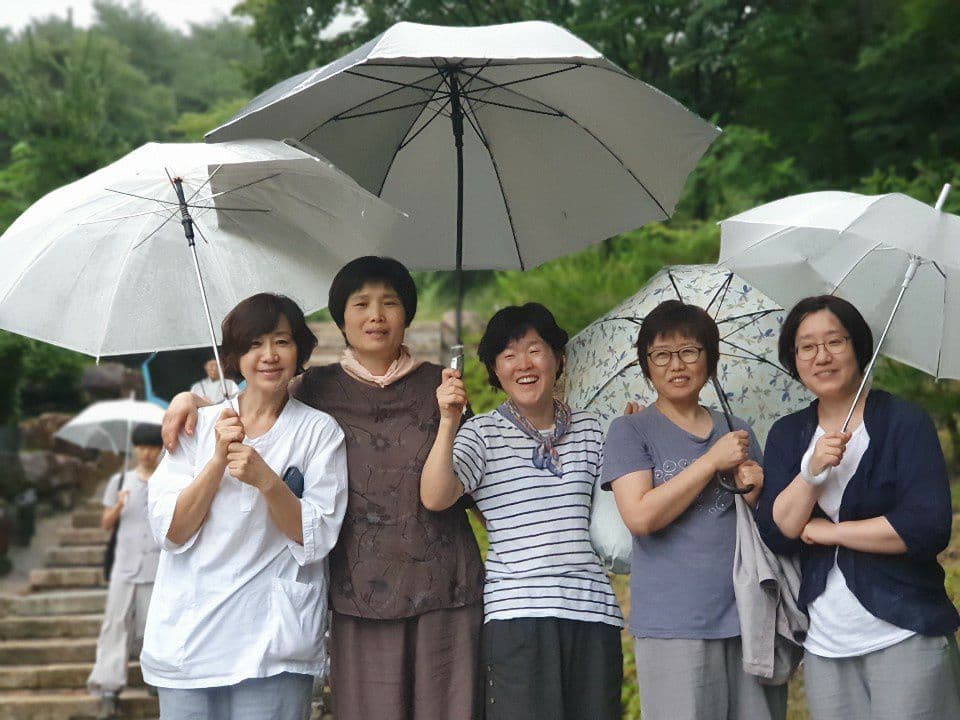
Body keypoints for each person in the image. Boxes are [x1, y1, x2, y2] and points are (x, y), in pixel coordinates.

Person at [161, 257, 484, 720]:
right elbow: (252, 397)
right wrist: (189, 399)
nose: (376, 315)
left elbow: (469, 484)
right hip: (359, 591)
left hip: (446, 587)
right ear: (342, 319)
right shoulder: (314, 388)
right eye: (361, 304)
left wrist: (453, 415)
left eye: (389, 303)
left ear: (407, 315)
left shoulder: (443, 385)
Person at [142, 293, 348, 720]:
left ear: (300, 350)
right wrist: (216, 459)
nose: (269, 356)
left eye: (281, 341)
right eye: (254, 344)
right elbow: (171, 532)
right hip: (190, 639)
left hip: (271, 644)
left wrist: (267, 481)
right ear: (234, 356)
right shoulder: (195, 426)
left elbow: (316, 537)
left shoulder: (319, 432)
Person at [757, 295, 960, 719]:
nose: (822, 356)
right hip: (827, 643)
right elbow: (779, 530)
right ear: (793, 359)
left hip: (905, 632)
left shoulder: (904, 421)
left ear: (859, 347)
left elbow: (926, 527)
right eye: (807, 346)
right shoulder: (788, 433)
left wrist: (832, 532)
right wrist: (811, 473)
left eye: (835, 341)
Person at [421, 303, 624, 720]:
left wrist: (635, 435)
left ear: (558, 359)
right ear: (495, 371)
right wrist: (447, 421)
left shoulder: (594, 428)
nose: (523, 365)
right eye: (509, 355)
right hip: (517, 614)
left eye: (535, 350)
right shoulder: (482, 433)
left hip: (591, 611)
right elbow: (436, 496)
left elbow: (620, 507)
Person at [600, 300, 786, 720]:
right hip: (674, 623)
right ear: (646, 366)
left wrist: (755, 493)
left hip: (749, 615)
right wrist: (710, 462)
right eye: (661, 355)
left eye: (689, 351)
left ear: (710, 359)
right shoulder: (630, 430)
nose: (676, 364)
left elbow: (767, 526)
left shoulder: (737, 432)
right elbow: (642, 517)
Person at [88, 423, 163, 720]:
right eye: (142, 447)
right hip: (124, 565)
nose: (146, 453)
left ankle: (157, 679)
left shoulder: (167, 478)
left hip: (156, 566)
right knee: (114, 625)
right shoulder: (121, 480)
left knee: (154, 628)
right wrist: (118, 505)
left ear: (160, 449)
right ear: (134, 448)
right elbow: (106, 524)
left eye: (152, 447)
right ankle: (108, 687)